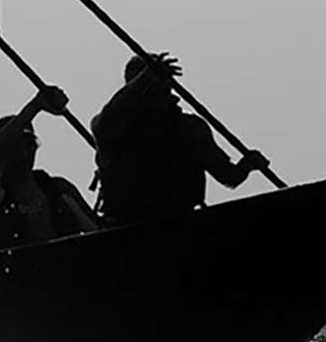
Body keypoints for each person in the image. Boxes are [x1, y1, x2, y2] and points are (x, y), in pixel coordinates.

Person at [91, 52, 269, 226]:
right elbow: (110, 117)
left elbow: (229, 176)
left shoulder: (189, 127)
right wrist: (148, 77)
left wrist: (247, 165)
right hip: (127, 228)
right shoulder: (112, 128)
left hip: (180, 224)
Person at [0, 86, 99, 255]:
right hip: (6, 278)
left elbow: (101, 232)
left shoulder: (58, 189)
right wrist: (35, 106)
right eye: (15, 146)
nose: (23, 153)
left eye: (28, 145)